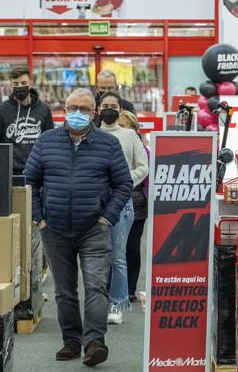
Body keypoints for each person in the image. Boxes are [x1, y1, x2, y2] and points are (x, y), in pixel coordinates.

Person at [24, 88, 132, 367]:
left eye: (84, 110)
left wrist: (107, 217)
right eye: (72, 108)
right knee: (64, 290)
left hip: (94, 228)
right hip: (55, 228)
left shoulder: (108, 144)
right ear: (64, 110)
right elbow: (30, 182)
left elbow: (123, 184)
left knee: (96, 286)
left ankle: (95, 342)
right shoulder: (46, 141)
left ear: (94, 114)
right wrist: (40, 218)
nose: (77, 114)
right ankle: (72, 340)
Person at [98, 92, 148, 324]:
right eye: (105, 105)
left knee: (118, 255)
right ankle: (97, 303)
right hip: (93, 202)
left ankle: (117, 303)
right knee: (95, 256)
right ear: (98, 109)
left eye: (113, 106)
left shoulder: (129, 135)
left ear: (120, 109)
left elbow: (143, 167)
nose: (109, 109)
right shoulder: (91, 134)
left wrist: (122, 180)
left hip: (121, 203)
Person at [0, 66, 54, 174]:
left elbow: (50, 143)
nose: (20, 86)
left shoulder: (44, 110)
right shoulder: (0, 111)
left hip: (36, 171)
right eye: (16, 84)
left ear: (31, 84)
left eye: (23, 83)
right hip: (7, 172)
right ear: (11, 86)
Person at [118, 110, 150, 302]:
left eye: (124, 126)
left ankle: (130, 289)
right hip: (115, 202)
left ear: (134, 129)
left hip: (137, 204)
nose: (120, 130)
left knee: (132, 247)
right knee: (115, 248)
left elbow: (146, 177)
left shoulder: (143, 150)